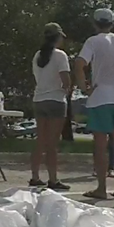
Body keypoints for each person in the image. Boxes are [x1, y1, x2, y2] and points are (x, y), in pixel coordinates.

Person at [74, 8, 114, 200]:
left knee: (100, 144)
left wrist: (83, 86)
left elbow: (80, 63)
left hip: (100, 96)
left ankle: (101, 187)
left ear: (95, 23)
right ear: (112, 23)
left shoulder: (93, 41)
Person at [30, 23, 72, 190]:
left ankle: (34, 176)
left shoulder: (38, 56)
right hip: (56, 100)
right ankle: (53, 179)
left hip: (39, 99)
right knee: (52, 144)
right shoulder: (60, 56)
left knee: (40, 140)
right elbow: (66, 80)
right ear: (58, 37)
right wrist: (67, 89)